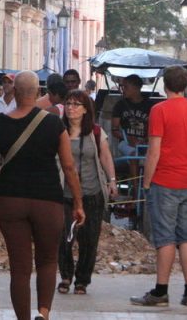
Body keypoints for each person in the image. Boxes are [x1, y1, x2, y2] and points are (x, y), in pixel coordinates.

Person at [0, 71, 84, 320]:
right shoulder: (54, 123)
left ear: (16, 93)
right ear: (38, 92)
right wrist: (78, 202)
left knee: (19, 268)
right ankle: (43, 314)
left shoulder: (0, 122)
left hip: (10, 201)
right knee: (47, 260)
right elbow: (68, 166)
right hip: (48, 200)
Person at [130, 66, 187, 308]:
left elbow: (154, 151)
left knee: (165, 237)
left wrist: (147, 181)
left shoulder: (159, 110)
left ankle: (161, 290)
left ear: (165, 84)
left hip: (165, 179)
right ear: (184, 84)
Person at [58, 91, 117, 296]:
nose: (71, 107)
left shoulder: (96, 132)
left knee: (89, 240)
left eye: (76, 104)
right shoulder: (58, 131)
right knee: (64, 236)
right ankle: (66, 275)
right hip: (64, 194)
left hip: (92, 192)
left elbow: (106, 156)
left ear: (85, 109)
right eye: (68, 103)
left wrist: (112, 181)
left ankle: (82, 280)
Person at [112, 74, 156, 158]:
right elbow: (114, 130)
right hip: (125, 141)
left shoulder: (150, 105)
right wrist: (127, 138)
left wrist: (145, 140)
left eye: (126, 87)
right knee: (134, 154)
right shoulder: (120, 105)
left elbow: (154, 127)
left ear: (136, 88)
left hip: (146, 141)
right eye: (122, 87)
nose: (123, 90)